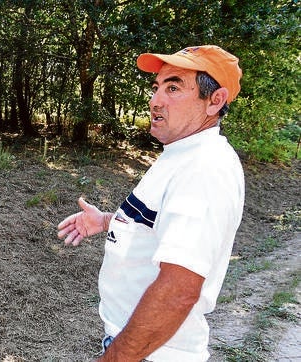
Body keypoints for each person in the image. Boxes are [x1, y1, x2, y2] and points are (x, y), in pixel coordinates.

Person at [57, 45, 245, 362]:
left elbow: (179, 291)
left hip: (154, 354)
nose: (155, 100)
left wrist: (115, 359)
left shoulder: (204, 168)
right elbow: (158, 223)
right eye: (157, 87)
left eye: (173, 87)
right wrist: (106, 221)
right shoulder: (182, 154)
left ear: (215, 101)